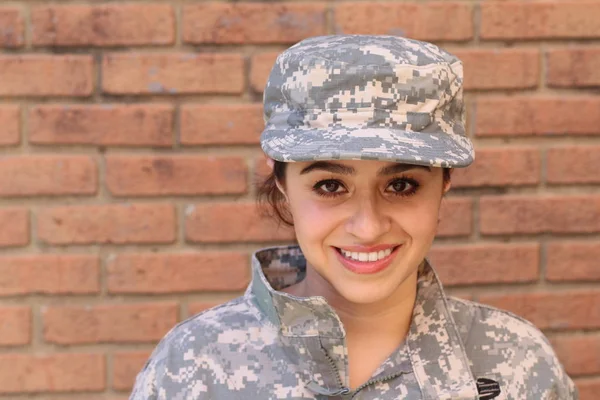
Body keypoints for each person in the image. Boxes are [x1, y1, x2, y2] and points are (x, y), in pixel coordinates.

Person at [129, 35, 577, 399]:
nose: (367, 226)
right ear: (283, 184)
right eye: (329, 186)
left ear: (444, 186)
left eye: (401, 185)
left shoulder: (516, 365)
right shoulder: (194, 367)